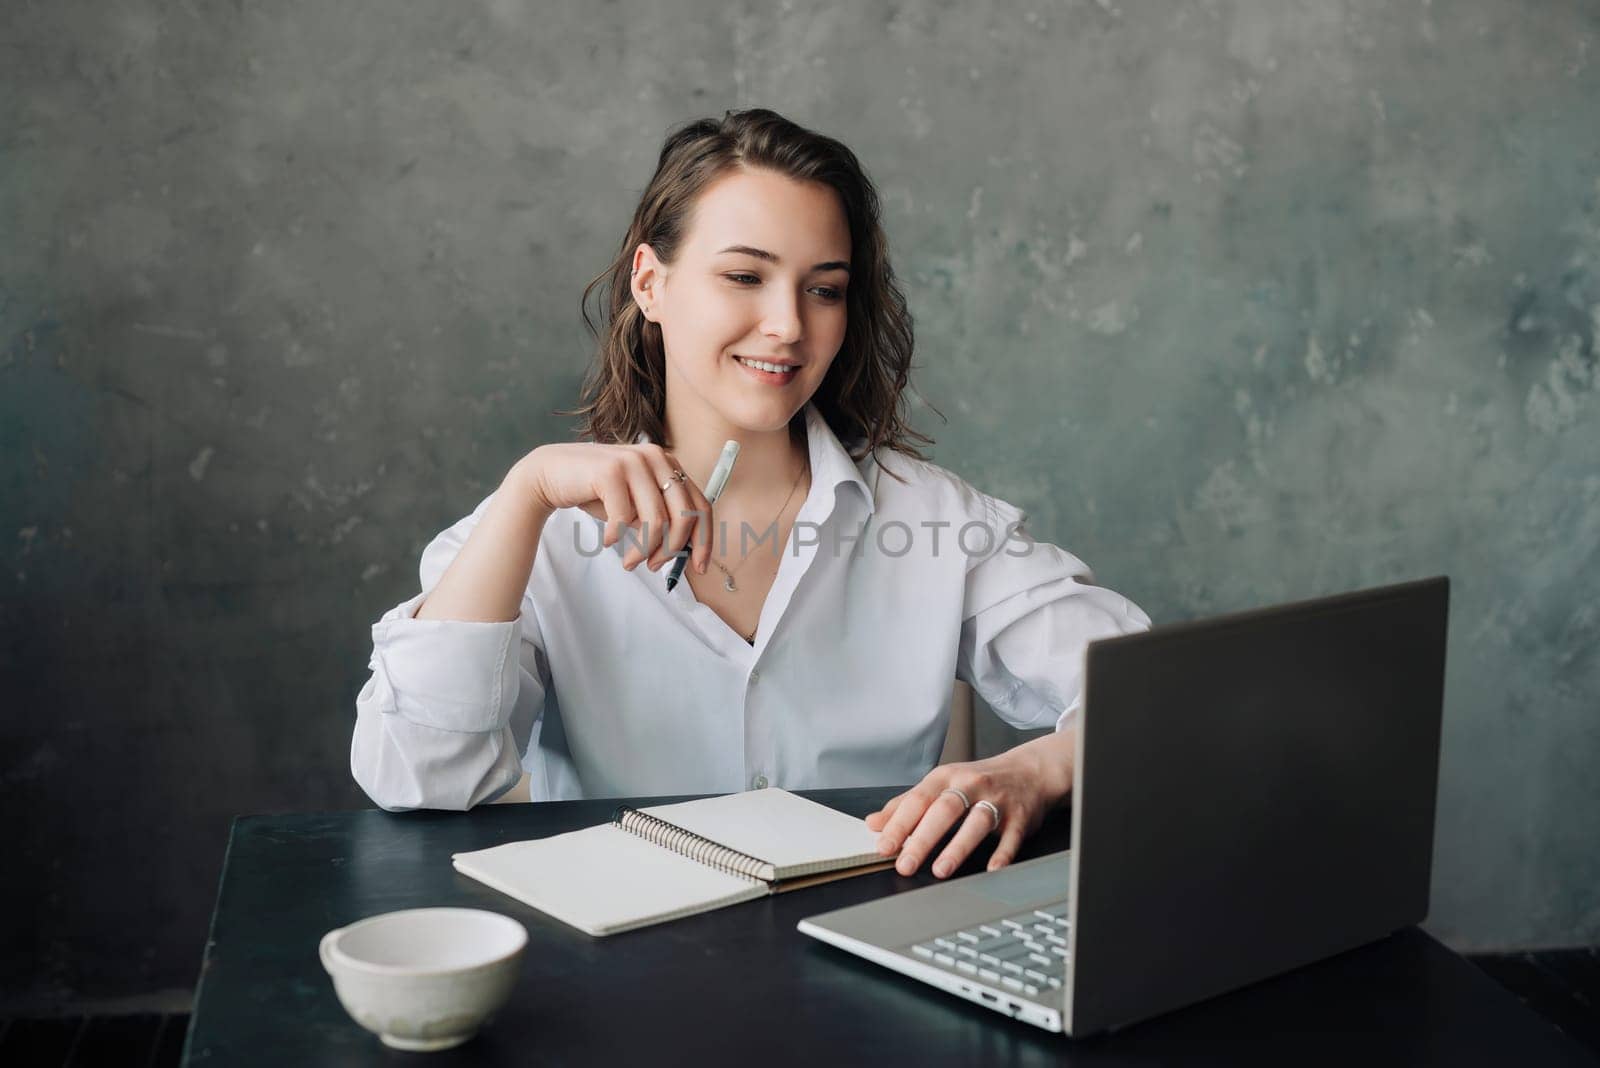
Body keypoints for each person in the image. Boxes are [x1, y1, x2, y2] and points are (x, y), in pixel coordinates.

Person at [351, 108, 1150, 881]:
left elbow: (1164, 701)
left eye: (824, 290)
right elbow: (419, 776)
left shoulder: (934, 521)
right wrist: (524, 495)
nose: (787, 326)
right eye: (744, 276)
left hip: (863, 961)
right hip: (620, 979)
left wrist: (1035, 769)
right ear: (650, 282)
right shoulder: (536, 537)